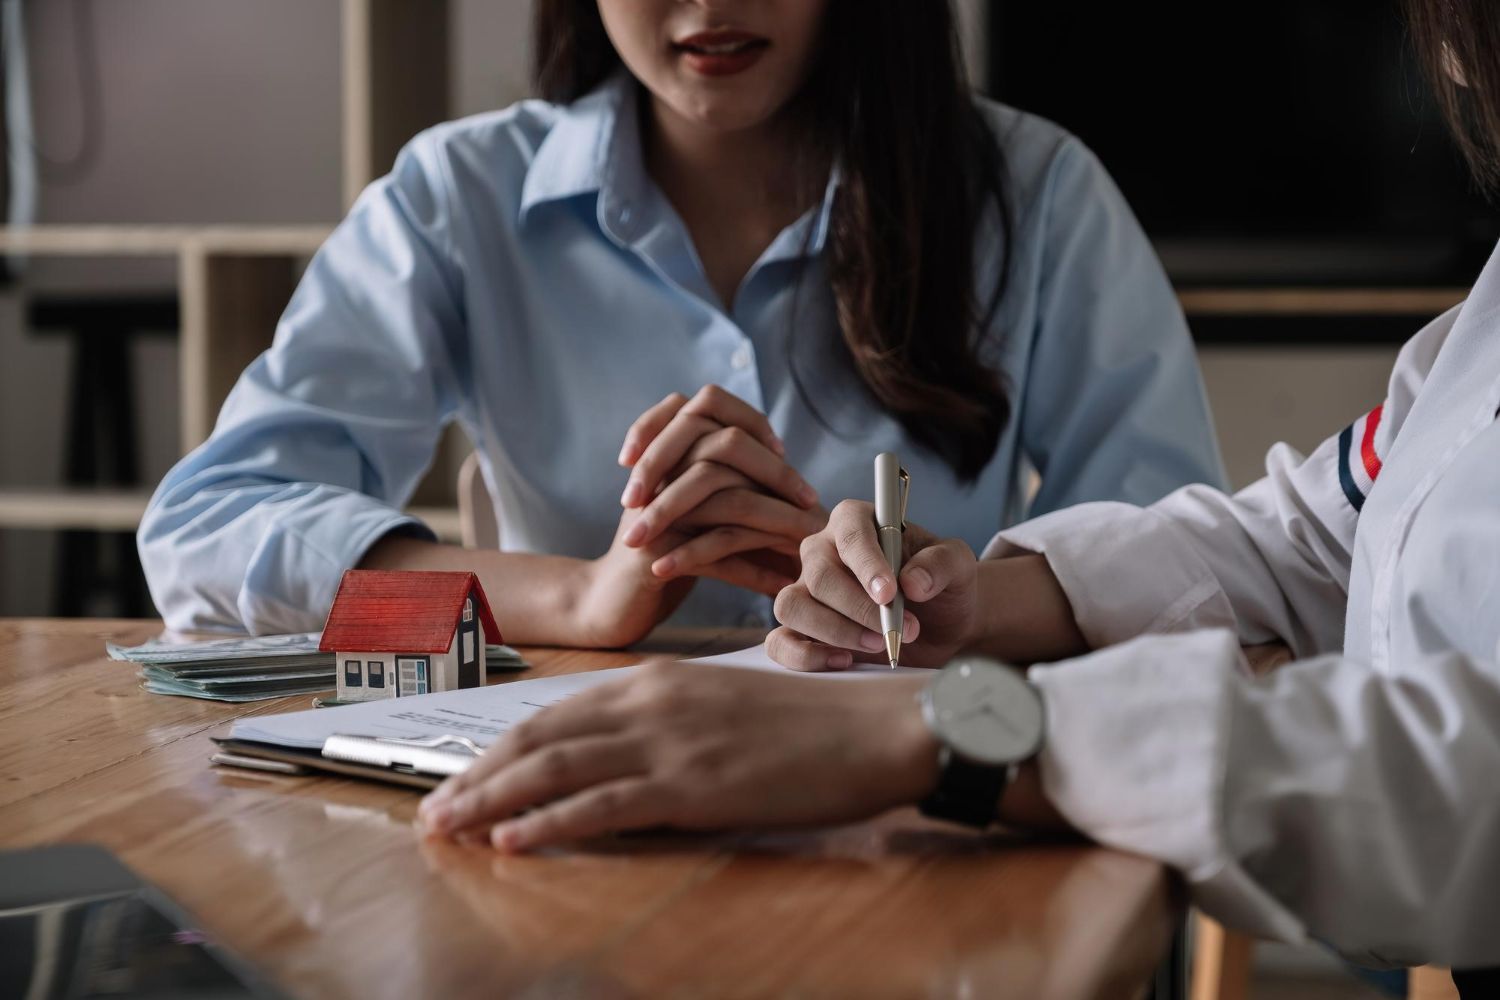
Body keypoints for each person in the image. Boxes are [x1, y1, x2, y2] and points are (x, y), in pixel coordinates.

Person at [415, 0, 1500, 982]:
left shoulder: (1039, 197)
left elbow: (1468, 781)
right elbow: (1310, 530)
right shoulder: (1477, 330)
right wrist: (985, 600)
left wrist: (945, 731)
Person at [137, 0, 1223, 645]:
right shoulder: (456, 196)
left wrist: (925, 596)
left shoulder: (1036, 196)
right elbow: (205, 538)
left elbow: (1180, 575)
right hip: (565, 816)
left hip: (910, 809)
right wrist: (575, 597)